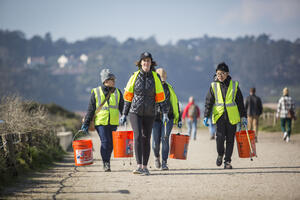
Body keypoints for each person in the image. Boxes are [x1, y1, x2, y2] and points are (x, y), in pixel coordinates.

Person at [120, 52, 168, 176]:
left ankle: (145, 166)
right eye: (144, 60)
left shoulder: (155, 77)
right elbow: (128, 96)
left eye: (148, 61)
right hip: (135, 111)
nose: (146, 63)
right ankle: (138, 166)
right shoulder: (134, 76)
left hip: (150, 113)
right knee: (137, 137)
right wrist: (124, 114)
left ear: (151, 63)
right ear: (140, 62)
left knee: (146, 138)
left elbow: (160, 96)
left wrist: (165, 113)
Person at [203, 62, 247, 169]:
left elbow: (240, 102)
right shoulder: (213, 85)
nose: (220, 76)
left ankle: (227, 161)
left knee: (230, 140)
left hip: (232, 117)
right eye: (218, 74)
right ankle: (220, 154)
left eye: (222, 73)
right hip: (219, 116)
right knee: (220, 138)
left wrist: (243, 116)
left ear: (227, 74)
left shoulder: (234, 85)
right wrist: (206, 116)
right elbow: (209, 101)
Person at [81, 68, 124, 172]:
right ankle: (106, 163)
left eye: (114, 79)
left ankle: (107, 160)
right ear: (105, 81)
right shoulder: (96, 92)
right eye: (112, 79)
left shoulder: (118, 92)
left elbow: (122, 107)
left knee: (111, 144)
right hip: (101, 122)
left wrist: (125, 116)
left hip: (113, 122)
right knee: (105, 142)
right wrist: (86, 124)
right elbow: (91, 109)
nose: (114, 81)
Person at [152, 68, 182, 170]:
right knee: (155, 143)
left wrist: (179, 118)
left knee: (165, 139)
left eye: (163, 78)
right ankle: (156, 157)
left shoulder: (170, 88)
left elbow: (175, 103)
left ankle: (164, 162)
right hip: (155, 119)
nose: (162, 80)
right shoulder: (152, 88)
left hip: (168, 118)